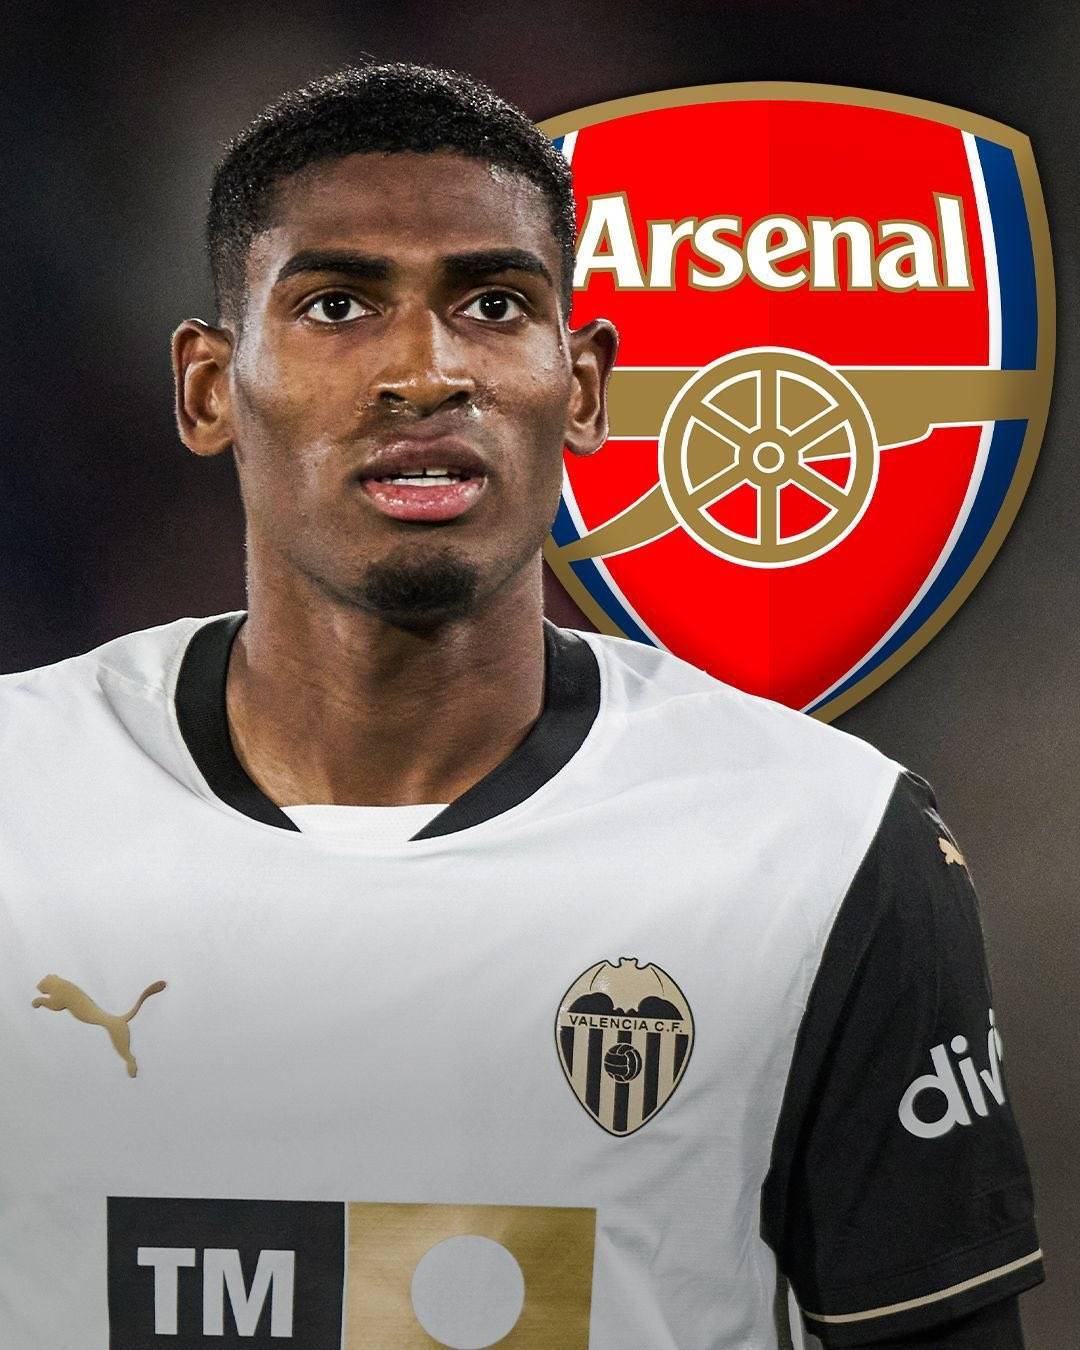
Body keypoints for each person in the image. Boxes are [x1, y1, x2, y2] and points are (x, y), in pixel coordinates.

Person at [0, 62, 1043, 1349]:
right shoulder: (19, 803)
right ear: (209, 387)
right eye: (337, 305)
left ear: (585, 385)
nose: (425, 372)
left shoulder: (823, 848)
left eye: (493, 304)